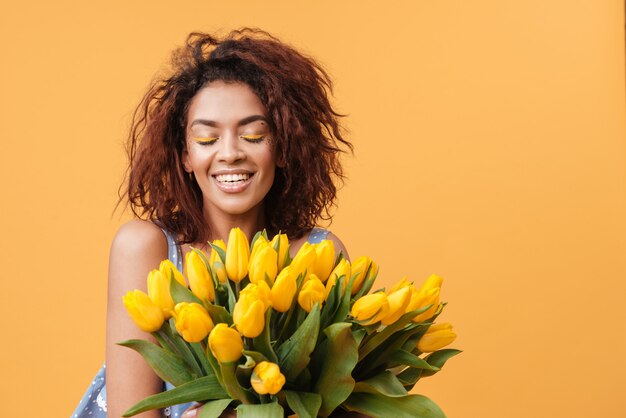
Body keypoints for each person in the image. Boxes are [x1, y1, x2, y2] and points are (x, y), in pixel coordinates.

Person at [72, 28, 355, 418]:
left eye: (254, 134)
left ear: (284, 147)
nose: (230, 154)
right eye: (206, 138)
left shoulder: (318, 253)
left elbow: (341, 401)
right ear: (185, 156)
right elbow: (132, 413)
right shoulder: (146, 248)